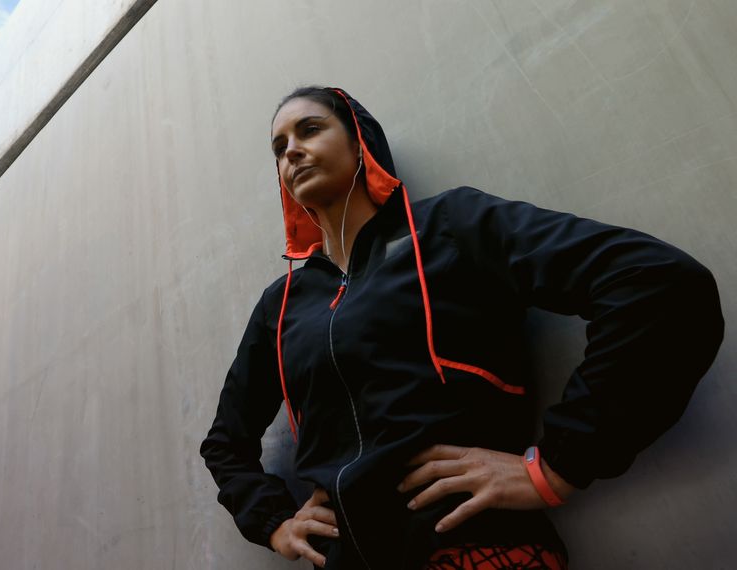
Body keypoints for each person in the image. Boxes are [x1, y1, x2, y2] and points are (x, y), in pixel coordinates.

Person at [199, 86, 724, 569]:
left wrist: (557, 467)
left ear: (360, 142)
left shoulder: (450, 226)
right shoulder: (283, 301)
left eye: (310, 129)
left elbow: (656, 285)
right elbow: (226, 441)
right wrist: (274, 523)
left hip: (476, 550)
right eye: (278, 146)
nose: (290, 151)